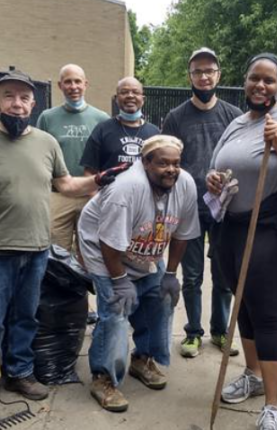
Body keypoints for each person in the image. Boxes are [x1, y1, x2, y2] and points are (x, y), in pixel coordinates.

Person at [0, 68, 128, 417]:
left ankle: (19, 372)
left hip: (36, 247)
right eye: (9, 96)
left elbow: (65, 185)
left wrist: (99, 180)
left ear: (33, 103)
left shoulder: (46, 143)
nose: (16, 104)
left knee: (26, 316)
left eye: (23, 97)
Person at [208, 53, 277, 430]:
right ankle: (252, 374)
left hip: (269, 230)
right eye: (254, 78)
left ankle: (273, 406)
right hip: (232, 227)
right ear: (244, 81)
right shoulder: (236, 121)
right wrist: (212, 179)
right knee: (244, 310)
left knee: (268, 316)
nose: (260, 85)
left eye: (269, 80)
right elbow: (217, 165)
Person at [78, 135, 200, 413]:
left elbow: (182, 233)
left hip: (144, 251)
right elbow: (108, 242)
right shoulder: (127, 188)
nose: (171, 169)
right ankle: (103, 378)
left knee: (159, 302)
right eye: (162, 163)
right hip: (103, 250)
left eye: (175, 163)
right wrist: (120, 280)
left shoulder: (185, 184)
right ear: (145, 163)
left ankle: (142, 358)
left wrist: (170, 273)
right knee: (116, 314)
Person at [161, 48, 243, 359]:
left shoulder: (233, 116)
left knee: (223, 275)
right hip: (188, 208)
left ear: (218, 75)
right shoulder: (176, 117)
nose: (204, 76)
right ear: (190, 76)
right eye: (197, 72)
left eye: (209, 71)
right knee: (192, 276)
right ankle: (193, 333)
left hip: (225, 209)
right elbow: (166, 163)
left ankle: (220, 331)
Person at [37, 64, 109, 252]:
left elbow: (107, 157)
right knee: (56, 251)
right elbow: (39, 157)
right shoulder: (47, 118)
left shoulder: (102, 119)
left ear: (85, 84)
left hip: (91, 195)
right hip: (58, 196)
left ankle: (84, 283)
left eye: (77, 81)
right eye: (68, 82)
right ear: (60, 86)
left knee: (89, 251)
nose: (73, 86)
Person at [80, 77, 160, 177]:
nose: (130, 96)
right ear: (116, 99)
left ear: (143, 99)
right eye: (124, 92)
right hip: (109, 191)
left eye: (135, 92)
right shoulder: (102, 130)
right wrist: (95, 193)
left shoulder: (155, 134)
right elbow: (89, 172)